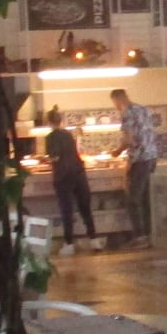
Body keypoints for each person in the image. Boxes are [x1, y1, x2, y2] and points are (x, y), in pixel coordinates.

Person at [112, 86, 162, 245]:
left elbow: (129, 140)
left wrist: (117, 152)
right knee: (147, 198)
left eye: (115, 103)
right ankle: (151, 234)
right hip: (152, 157)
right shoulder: (144, 109)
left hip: (139, 160)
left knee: (133, 199)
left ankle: (140, 236)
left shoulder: (126, 113)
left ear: (118, 99)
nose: (116, 106)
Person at [45, 107, 97, 254]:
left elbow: (55, 157)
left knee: (67, 210)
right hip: (79, 173)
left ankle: (69, 244)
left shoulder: (50, 137)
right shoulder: (68, 134)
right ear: (60, 121)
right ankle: (94, 240)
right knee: (85, 208)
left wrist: (45, 159)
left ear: (49, 122)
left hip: (63, 176)